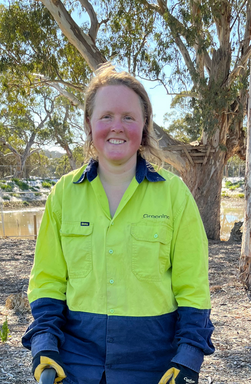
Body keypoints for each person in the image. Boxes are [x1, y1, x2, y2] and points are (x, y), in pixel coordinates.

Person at [22, 63, 214, 384]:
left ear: (144, 125)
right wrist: (44, 346)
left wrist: (189, 357)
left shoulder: (174, 194)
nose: (117, 127)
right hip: (75, 365)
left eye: (128, 117)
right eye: (106, 116)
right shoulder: (63, 195)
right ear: (89, 123)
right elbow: (47, 281)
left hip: (154, 366)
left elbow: (193, 288)